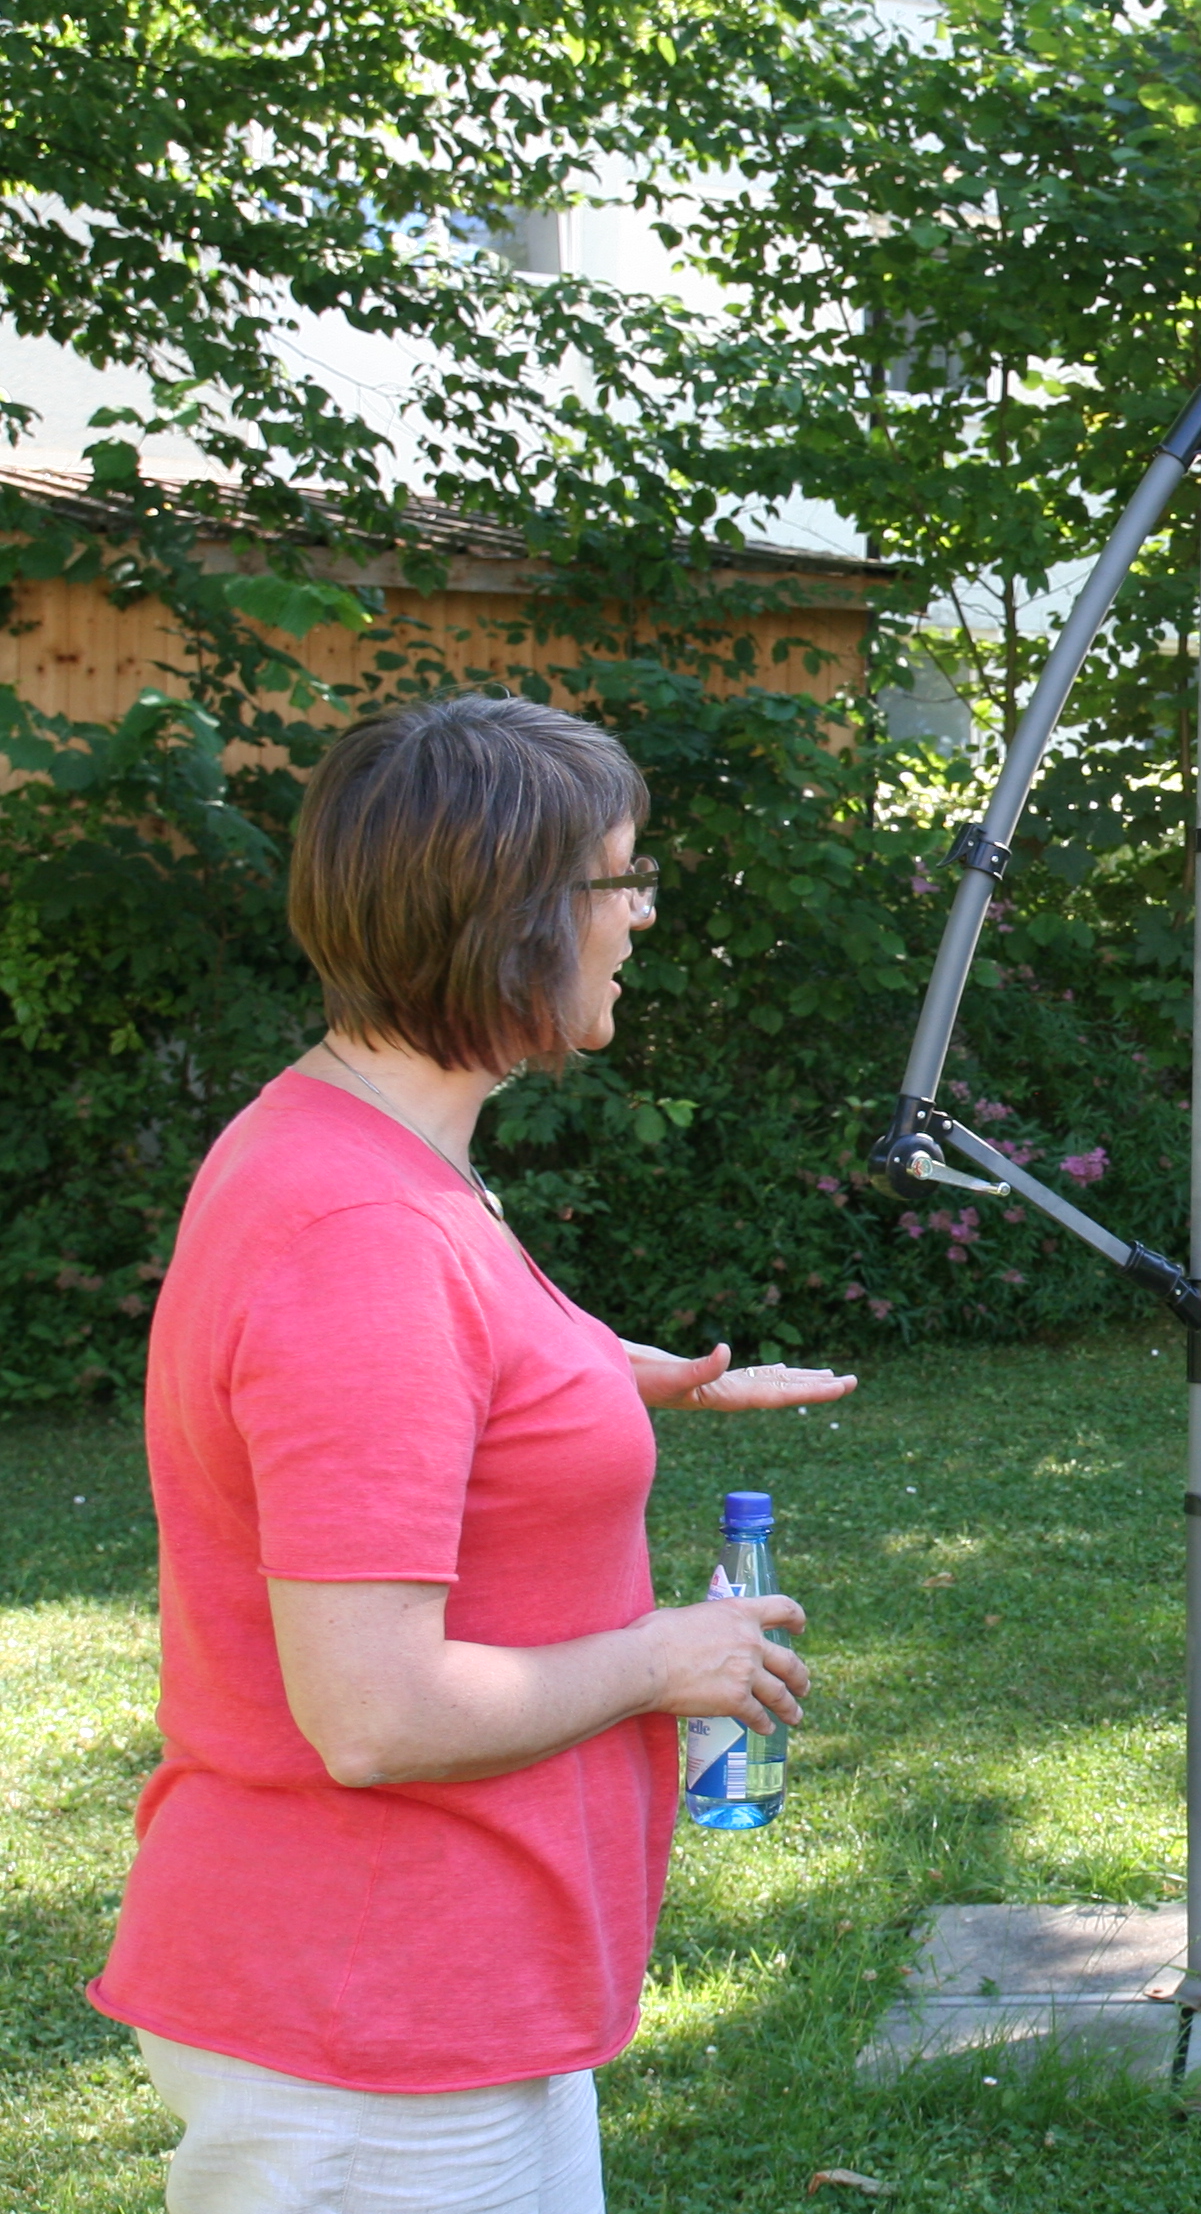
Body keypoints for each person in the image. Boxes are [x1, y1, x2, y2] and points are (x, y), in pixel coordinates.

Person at [87, 692, 857, 2214]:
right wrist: (664, 1658)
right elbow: (374, 1711)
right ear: (511, 916)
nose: (639, 920)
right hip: (371, 2024)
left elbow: (410, 1386)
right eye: (620, 882)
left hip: (425, 1997)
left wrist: (581, 1375)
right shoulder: (361, 1231)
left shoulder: (356, 1148)